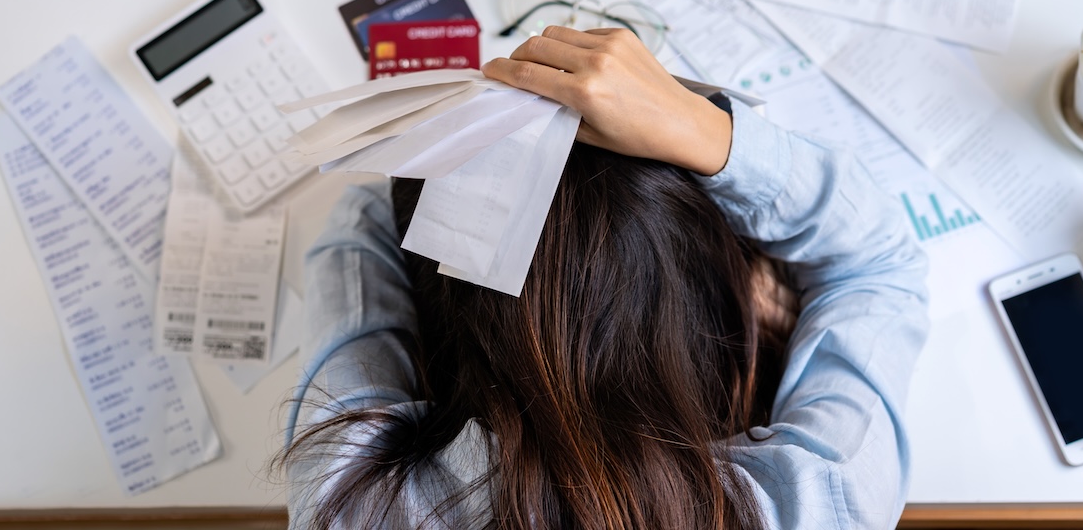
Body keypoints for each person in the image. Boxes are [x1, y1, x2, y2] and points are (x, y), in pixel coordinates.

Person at [280, 26, 929, 530]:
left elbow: (361, 217)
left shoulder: (354, 498)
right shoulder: (813, 506)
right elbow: (879, 260)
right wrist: (702, 132)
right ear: (706, 312)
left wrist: (468, 145)